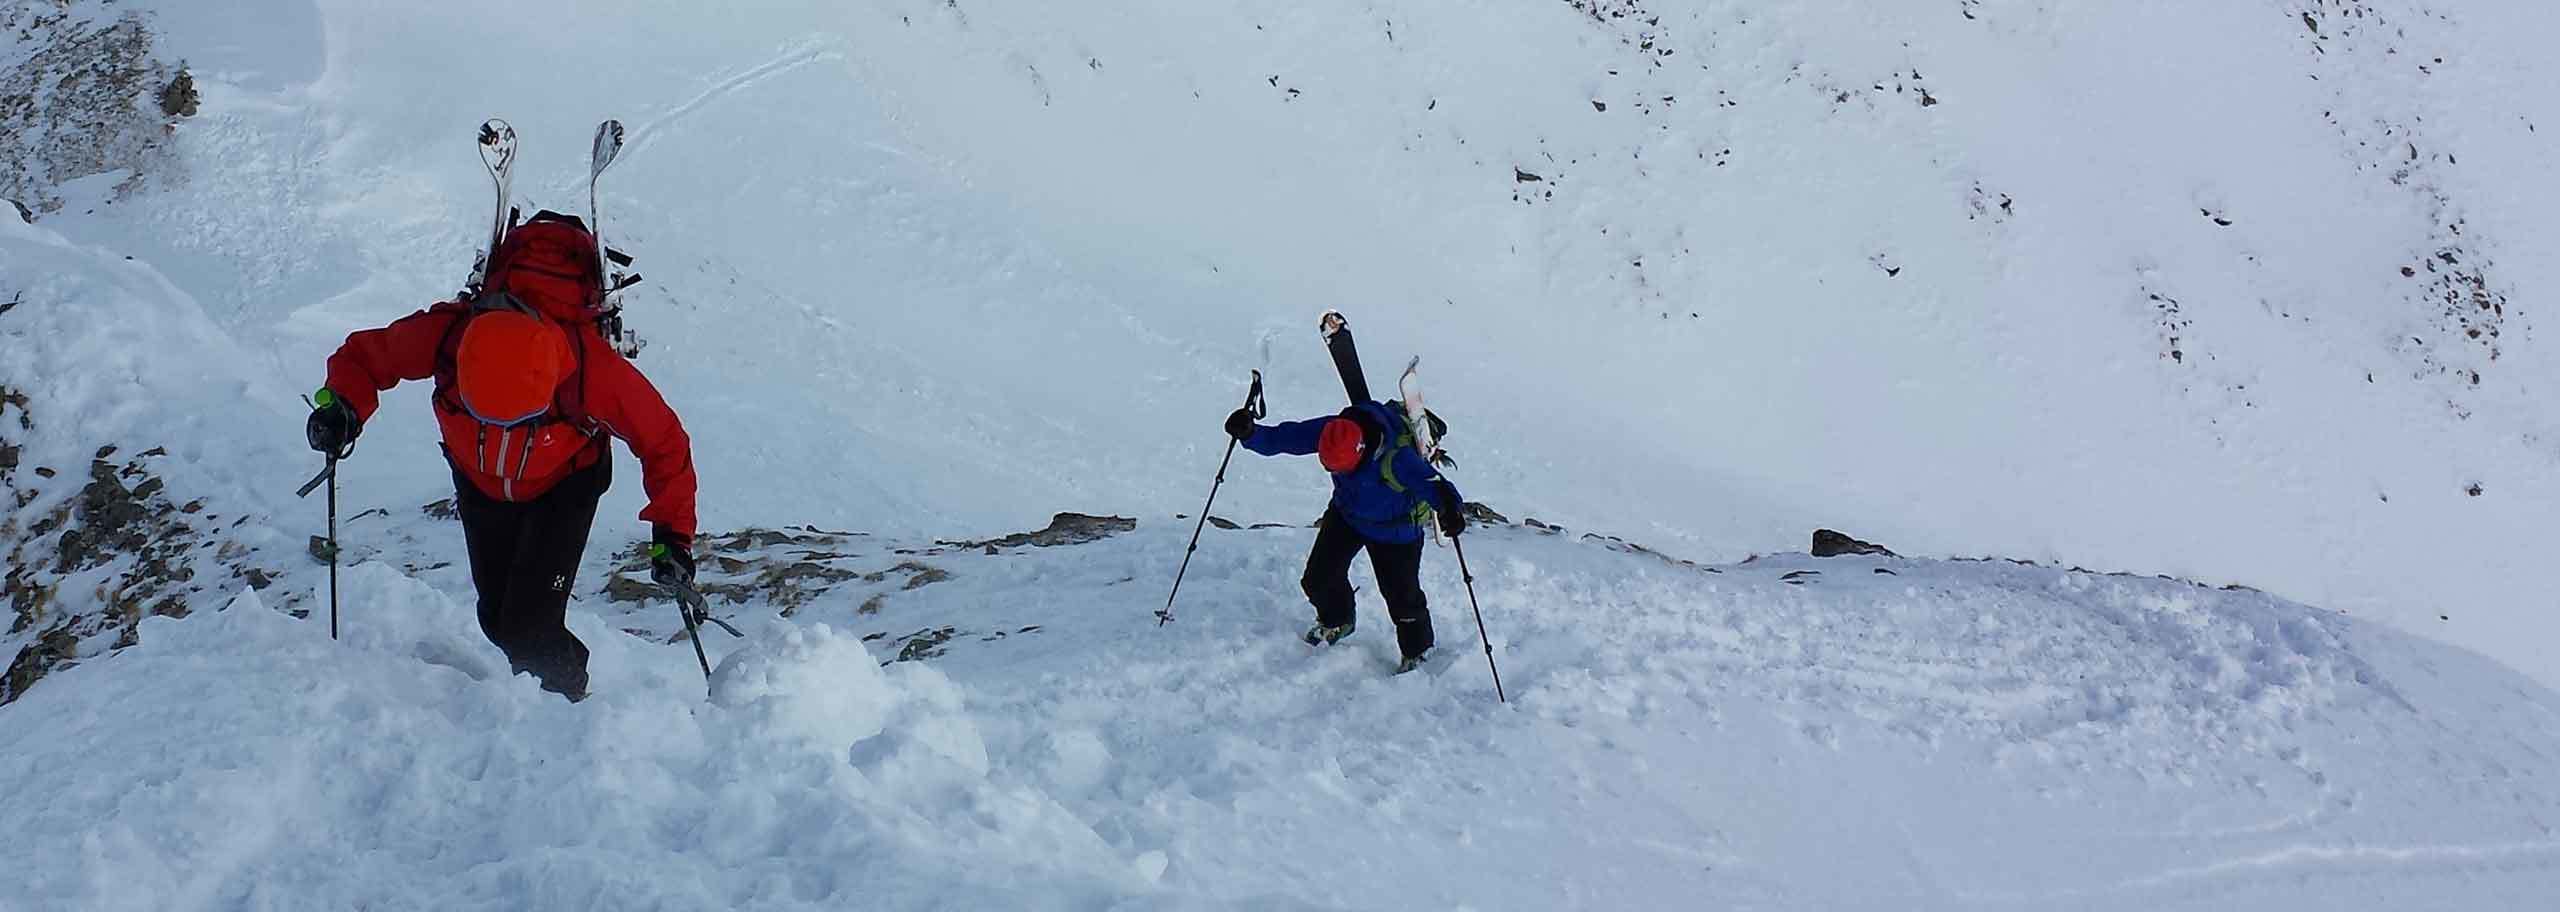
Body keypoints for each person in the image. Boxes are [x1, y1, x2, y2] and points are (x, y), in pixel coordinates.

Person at [304, 211, 699, 701]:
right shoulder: (449, 334)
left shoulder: (590, 370)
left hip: (564, 485)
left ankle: (569, 708)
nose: (501, 428)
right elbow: (364, 358)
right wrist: (342, 406)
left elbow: (664, 442)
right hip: (480, 481)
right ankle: (544, 706)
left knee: (528, 629)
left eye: (519, 420)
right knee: (496, 619)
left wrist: (672, 539)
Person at [1227, 399, 1465, 673]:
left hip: (1395, 531)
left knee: (1403, 599)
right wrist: (1250, 434)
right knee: (1318, 579)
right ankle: (1337, 620)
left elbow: (1435, 486)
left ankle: (1418, 651)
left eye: (1341, 468)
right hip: (1348, 515)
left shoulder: (1398, 459)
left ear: (1361, 450)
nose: (1336, 472)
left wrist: (1450, 509)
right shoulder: (1334, 432)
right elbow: (1287, 438)